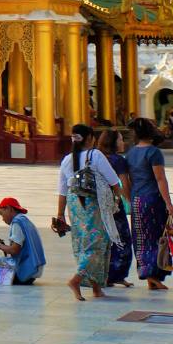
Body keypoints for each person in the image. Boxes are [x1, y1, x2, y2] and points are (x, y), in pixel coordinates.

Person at [54, 126, 124, 302]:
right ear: (89, 138)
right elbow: (114, 181)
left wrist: (60, 214)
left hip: (74, 203)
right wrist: (117, 199)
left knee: (83, 241)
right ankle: (76, 279)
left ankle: (96, 288)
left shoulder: (67, 160)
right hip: (93, 202)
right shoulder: (96, 155)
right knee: (98, 243)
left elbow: (62, 190)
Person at [125, 118, 173, 290]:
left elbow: (127, 180)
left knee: (141, 238)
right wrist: (169, 204)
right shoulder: (154, 152)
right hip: (152, 200)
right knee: (157, 238)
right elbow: (160, 179)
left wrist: (130, 199)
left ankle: (148, 274)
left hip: (137, 200)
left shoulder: (131, 152)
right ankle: (154, 274)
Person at [102, 129, 135, 288]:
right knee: (122, 239)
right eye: (121, 140)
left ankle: (106, 274)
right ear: (114, 142)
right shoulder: (118, 160)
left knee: (107, 239)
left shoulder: (98, 157)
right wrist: (130, 200)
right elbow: (124, 184)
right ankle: (118, 274)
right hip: (115, 205)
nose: (123, 143)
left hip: (100, 205)